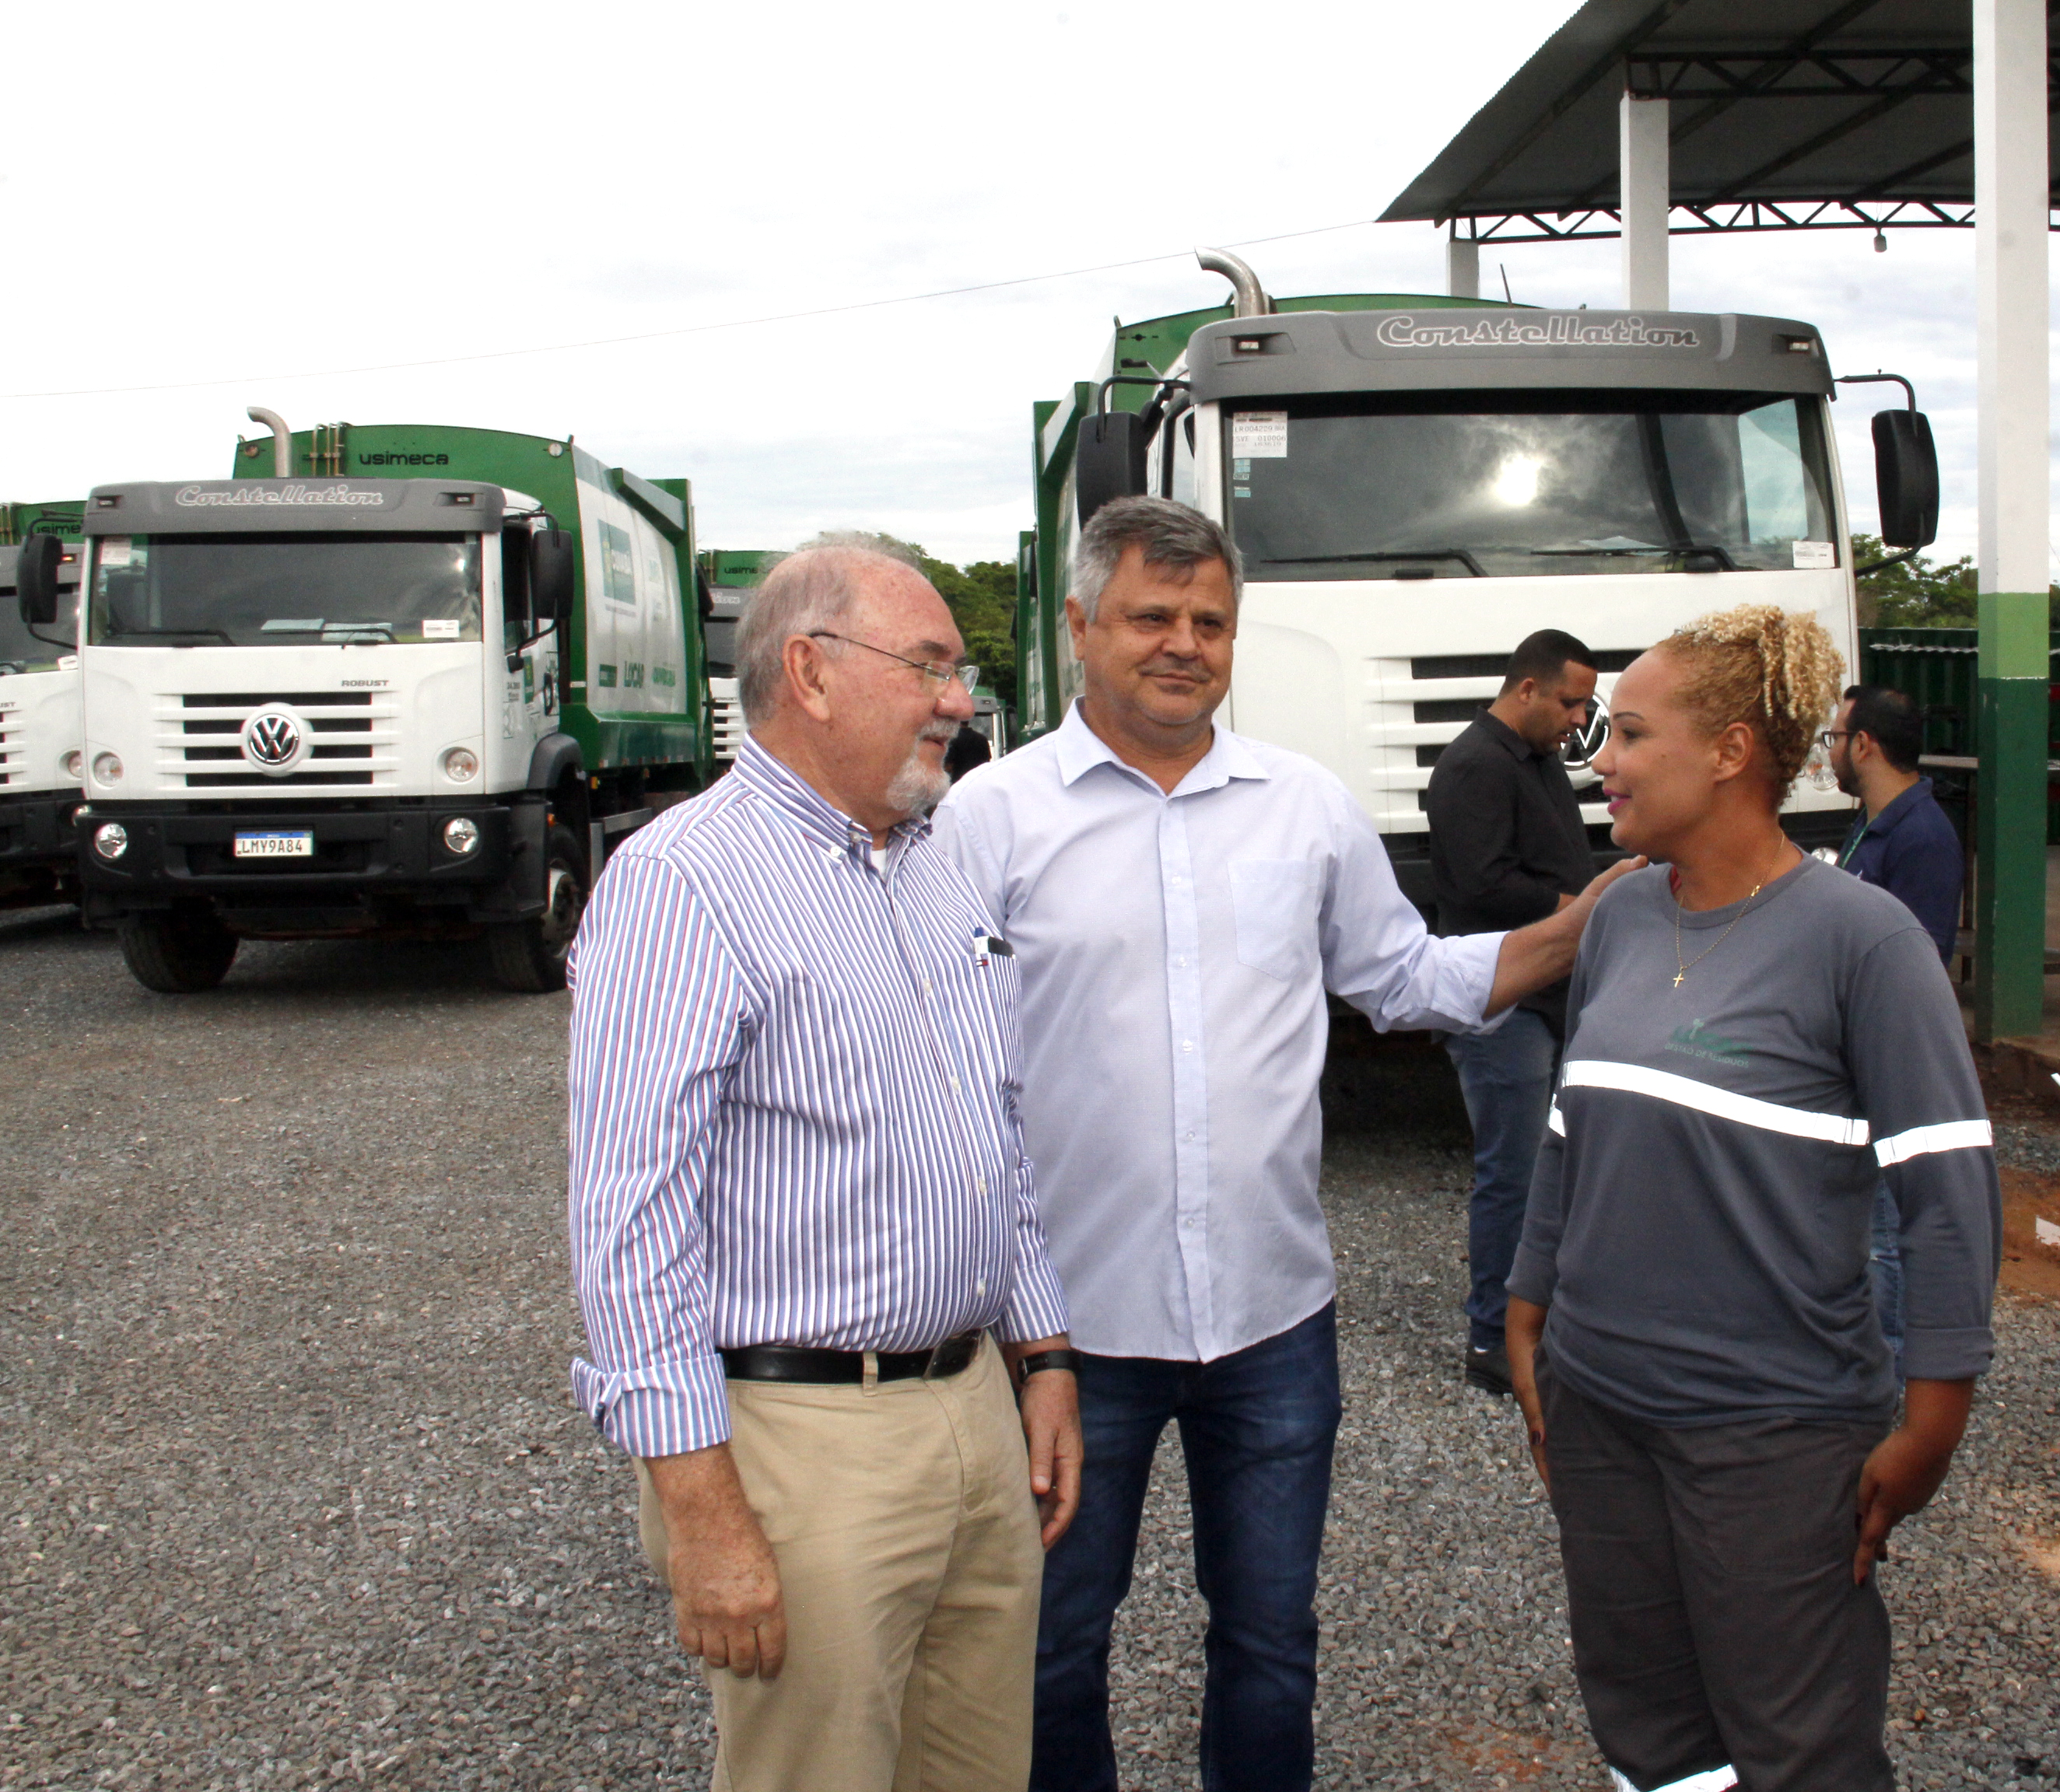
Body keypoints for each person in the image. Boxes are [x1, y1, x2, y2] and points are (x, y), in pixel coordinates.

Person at [934, 496, 1634, 1792]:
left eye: (1210, 621)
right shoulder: (989, 819)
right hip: (1069, 1337)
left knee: (1270, 1645)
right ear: (1080, 625)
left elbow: (1407, 977)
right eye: (1151, 616)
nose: (1184, 643)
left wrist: (1588, 921)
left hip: (1271, 1324)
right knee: (1049, 1647)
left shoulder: (1304, 807)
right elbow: (944, 1070)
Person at [566, 543, 1084, 1792]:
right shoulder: (683, 883)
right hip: (803, 1444)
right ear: (809, 671)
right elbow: (631, 1222)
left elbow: (993, 1129)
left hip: (973, 1409)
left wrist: (1045, 1354)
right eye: (930, 667)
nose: (958, 700)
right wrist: (703, 1513)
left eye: (958, 671)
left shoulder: (934, 860)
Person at [1507, 605, 2001, 1791]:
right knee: (1647, 1723)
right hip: (1598, 1403)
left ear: (1731, 752)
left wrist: (1933, 1421)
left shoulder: (1863, 940)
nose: (1603, 758)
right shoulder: (1622, 915)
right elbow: (1572, 1128)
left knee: (1796, 1739)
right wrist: (1529, 1311)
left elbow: (1947, 1192)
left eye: (1632, 733)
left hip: (1772, 1430)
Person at [1424, 627, 1602, 1397]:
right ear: (1526, 689)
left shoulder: (1536, 759)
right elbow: (1479, 885)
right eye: (1570, 702)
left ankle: (1541, 1321)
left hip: (1550, 996)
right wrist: (1577, 907)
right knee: (1515, 1173)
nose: (1579, 720)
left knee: (1552, 1170)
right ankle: (1493, 1337)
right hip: (1500, 1007)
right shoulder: (1474, 765)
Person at [1827, 683, 1964, 1375]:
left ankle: (1896, 1371)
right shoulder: (1871, 823)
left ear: (1864, 746)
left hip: (1889, 1065)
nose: (1829, 752)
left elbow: (1920, 964)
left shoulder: (1922, 838)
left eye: (1834, 738)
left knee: (1888, 1233)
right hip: (1852, 1058)